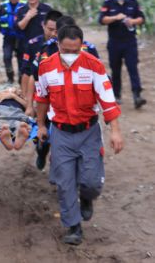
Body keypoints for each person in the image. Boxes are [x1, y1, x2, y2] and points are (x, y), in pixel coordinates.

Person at [35, 24, 123, 245]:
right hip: (61, 133)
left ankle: (87, 198)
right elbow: (42, 99)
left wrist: (115, 131)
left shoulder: (94, 66)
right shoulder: (46, 67)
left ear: (82, 46)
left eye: (76, 50)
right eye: (66, 50)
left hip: (89, 132)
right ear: (58, 46)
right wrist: (41, 126)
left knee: (91, 182)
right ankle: (73, 227)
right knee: (65, 184)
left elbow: (107, 99)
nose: (71, 55)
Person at [26, 15, 100, 170]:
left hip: (79, 103)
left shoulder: (90, 49)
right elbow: (36, 77)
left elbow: (99, 75)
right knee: (45, 134)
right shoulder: (47, 49)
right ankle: (42, 152)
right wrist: (30, 104)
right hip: (53, 102)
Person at [98, 0, 146, 108]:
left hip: (130, 42)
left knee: (132, 68)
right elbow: (101, 20)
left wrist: (133, 21)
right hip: (114, 42)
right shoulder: (108, 3)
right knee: (115, 69)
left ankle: (137, 96)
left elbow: (142, 18)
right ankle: (116, 95)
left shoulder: (133, 2)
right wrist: (115, 17)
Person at [21, 10, 62, 97]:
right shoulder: (32, 44)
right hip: (38, 86)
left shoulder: (65, 45)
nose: (53, 33)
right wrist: (25, 98)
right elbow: (27, 72)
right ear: (43, 25)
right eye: (50, 29)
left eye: (57, 30)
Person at [0, 0, 27, 83]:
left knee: (21, 59)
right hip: (8, 37)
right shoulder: (3, 5)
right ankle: (10, 78)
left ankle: (21, 79)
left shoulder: (25, 5)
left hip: (21, 37)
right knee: (7, 57)